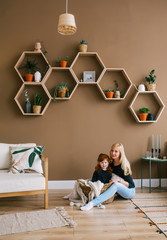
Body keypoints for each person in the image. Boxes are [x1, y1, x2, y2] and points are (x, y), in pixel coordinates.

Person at [80, 143, 135, 211]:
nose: (113, 153)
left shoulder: (123, 166)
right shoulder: (110, 164)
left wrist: (119, 180)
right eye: (112, 150)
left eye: (116, 151)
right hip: (119, 192)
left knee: (116, 185)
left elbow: (131, 185)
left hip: (129, 191)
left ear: (120, 153)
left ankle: (92, 203)